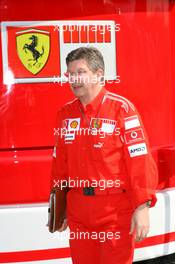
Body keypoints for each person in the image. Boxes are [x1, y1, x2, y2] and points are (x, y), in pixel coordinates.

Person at [50, 47, 158, 264]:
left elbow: (140, 160)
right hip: (79, 212)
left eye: (80, 72)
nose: (74, 79)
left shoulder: (122, 109)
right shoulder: (65, 114)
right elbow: (60, 164)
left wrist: (142, 206)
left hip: (114, 213)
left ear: (99, 74)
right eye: (70, 74)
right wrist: (58, 206)